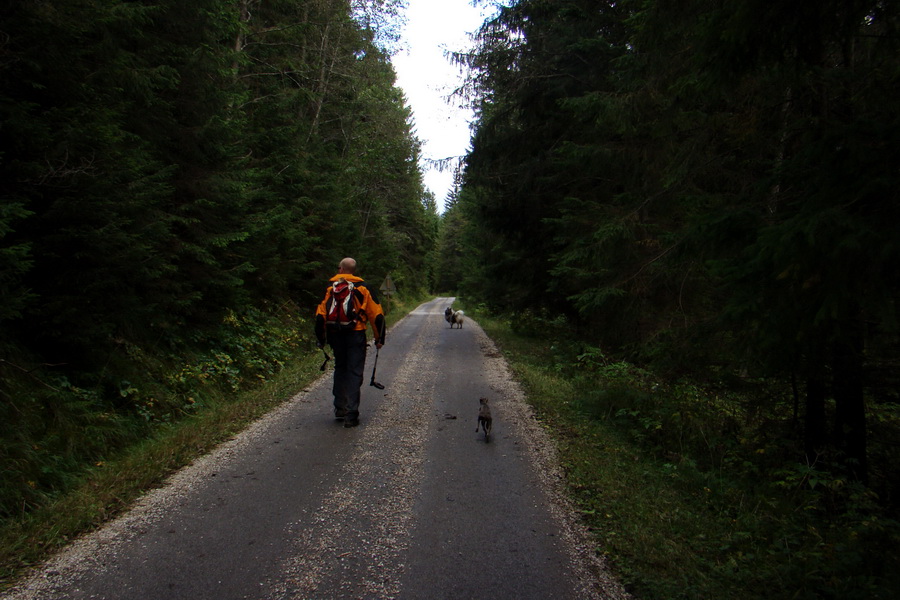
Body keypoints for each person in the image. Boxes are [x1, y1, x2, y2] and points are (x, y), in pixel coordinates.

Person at [314, 257, 386, 427]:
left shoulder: (330, 288)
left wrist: (321, 339)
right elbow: (377, 315)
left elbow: (320, 316)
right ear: (353, 270)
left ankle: (339, 408)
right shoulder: (363, 288)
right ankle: (351, 413)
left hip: (335, 335)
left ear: (340, 269)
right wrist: (379, 339)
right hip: (356, 334)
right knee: (354, 370)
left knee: (340, 367)